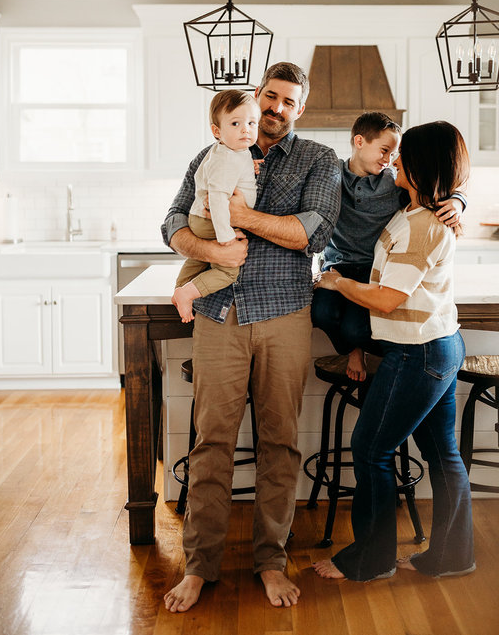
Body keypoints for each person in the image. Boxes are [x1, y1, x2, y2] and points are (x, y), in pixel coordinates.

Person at [160, 62, 341, 612]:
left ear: (300, 109)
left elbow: (314, 233)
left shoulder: (318, 160)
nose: (276, 108)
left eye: (289, 101)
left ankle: (270, 560)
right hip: (219, 313)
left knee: (279, 443)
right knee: (211, 442)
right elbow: (171, 221)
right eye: (271, 96)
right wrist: (212, 251)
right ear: (257, 96)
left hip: (285, 314)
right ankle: (199, 566)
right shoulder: (211, 152)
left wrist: (242, 214)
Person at [312, 120, 475, 582]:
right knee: (442, 455)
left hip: (419, 353)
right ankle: (452, 557)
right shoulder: (416, 210)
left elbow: (387, 298)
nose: (395, 159)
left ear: (419, 166)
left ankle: (372, 559)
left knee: (370, 450)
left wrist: (338, 281)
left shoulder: (424, 224)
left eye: (403, 154)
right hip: (437, 345)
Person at [311, 111, 466, 380]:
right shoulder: (332, 173)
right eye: (384, 151)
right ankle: (357, 351)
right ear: (359, 142)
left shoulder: (394, 182)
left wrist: (459, 199)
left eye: (394, 154)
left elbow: (436, 180)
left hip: (374, 269)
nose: (390, 160)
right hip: (338, 263)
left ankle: (364, 351)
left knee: (354, 329)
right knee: (321, 314)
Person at [172, 89, 261, 323]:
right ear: (217, 131)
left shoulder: (233, 152)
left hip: (201, 220)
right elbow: (219, 201)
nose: (246, 129)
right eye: (235, 123)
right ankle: (187, 293)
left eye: (252, 122)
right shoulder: (227, 159)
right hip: (213, 223)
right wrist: (226, 238)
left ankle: (181, 288)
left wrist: (250, 168)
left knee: (197, 260)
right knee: (227, 270)